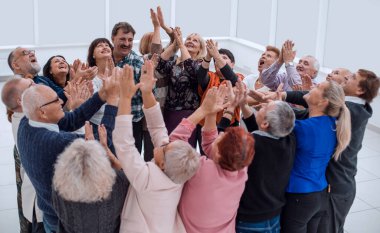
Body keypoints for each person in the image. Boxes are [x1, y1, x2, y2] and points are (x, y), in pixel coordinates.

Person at [17, 70, 119, 232]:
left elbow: (71, 120)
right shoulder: (58, 142)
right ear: (42, 112)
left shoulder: (26, 122)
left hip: (49, 212)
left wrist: (102, 95)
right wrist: (113, 103)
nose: (61, 102)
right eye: (55, 100)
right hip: (64, 220)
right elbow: (102, 146)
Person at [113, 61, 199, 233]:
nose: (163, 143)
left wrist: (125, 98)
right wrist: (146, 92)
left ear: (162, 165)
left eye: (165, 147)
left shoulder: (147, 180)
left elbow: (125, 145)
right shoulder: (178, 174)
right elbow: (158, 128)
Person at [173, 82, 254, 233]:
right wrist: (212, 114)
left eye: (221, 137)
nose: (221, 133)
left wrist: (202, 111)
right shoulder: (241, 171)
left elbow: (174, 145)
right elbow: (212, 145)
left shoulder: (200, 168)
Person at [221, 81, 296, 233]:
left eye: (265, 107)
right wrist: (243, 105)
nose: (261, 106)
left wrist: (229, 109)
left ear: (266, 123)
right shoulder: (288, 139)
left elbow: (216, 143)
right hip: (274, 214)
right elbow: (261, 130)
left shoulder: (250, 145)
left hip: (250, 219)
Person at [279, 80, 351, 233]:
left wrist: (276, 107)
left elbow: (272, 128)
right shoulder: (333, 124)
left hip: (299, 196)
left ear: (323, 101)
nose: (312, 86)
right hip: (320, 195)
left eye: (318, 87)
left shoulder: (302, 128)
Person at [51, 123, 128, 233]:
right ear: (103, 164)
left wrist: (91, 149)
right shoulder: (119, 183)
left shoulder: (58, 187)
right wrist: (107, 152)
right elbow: (129, 179)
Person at [1, 78, 45, 233]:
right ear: (21, 101)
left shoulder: (26, 116)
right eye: (31, 85)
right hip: (40, 205)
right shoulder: (29, 123)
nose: (37, 86)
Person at [156, 26, 206, 148]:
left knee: (184, 151)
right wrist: (175, 45)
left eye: (195, 40)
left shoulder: (201, 64)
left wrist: (181, 45)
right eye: (188, 38)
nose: (190, 41)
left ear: (200, 49)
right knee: (168, 148)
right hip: (170, 112)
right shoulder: (175, 62)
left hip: (189, 115)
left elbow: (191, 69)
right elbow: (160, 65)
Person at [111, 21, 145, 153]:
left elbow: (148, 92)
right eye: (122, 39)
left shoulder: (137, 62)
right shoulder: (105, 59)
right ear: (113, 38)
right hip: (108, 120)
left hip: (132, 122)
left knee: (130, 165)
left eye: (130, 40)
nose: (126, 43)